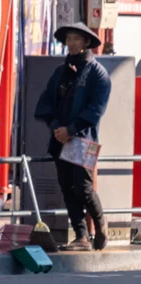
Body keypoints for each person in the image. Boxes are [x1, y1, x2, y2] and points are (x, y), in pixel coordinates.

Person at [34, 22, 111, 251]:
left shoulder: (98, 73)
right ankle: (81, 236)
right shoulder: (60, 71)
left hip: (84, 138)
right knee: (67, 187)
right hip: (60, 138)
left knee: (83, 187)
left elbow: (96, 108)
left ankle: (100, 222)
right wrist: (57, 127)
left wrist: (72, 129)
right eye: (68, 39)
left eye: (76, 39)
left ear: (86, 42)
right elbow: (47, 104)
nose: (71, 43)